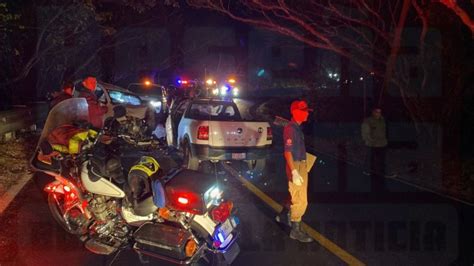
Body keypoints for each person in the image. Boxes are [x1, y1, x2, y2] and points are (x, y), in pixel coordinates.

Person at [278, 100, 314, 243]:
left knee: (294, 193)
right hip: (296, 166)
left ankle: (283, 215)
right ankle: (295, 230)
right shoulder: (291, 129)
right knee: (301, 200)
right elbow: (287, 153)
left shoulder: (296, 128)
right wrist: (294, 171)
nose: (307, 114)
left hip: (301, 164)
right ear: (296, 112)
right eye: (304, 111)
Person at [361, 107, 396, 191]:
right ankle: (367, 170)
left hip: (382, 143)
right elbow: (365, 133)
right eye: (377, 112)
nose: (379, 113)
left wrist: (386, 140)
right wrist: (370, 141)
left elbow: (384, 131)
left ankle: (384, 172)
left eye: (380, 112)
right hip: (372, 144)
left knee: (382, 159)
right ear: (373, 112)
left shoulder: (382, 120)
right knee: (371, 158)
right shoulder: (368, 121)